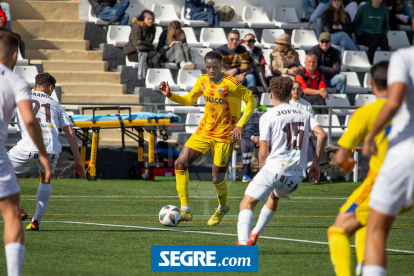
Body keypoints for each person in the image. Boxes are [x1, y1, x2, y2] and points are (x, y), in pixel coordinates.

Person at [158, 51, 257, 226]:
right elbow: (190, 100)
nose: (211, 70)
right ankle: (185, 210)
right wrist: (170, 95)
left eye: (215, 67)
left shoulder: (230, 84)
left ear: (221, 66)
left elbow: (252, 101)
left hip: (224, 136)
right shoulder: (202, 80)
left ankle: (222, 207)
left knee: (216, 178)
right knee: (179, 164)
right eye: (208, 67)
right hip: (204, 131)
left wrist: (240, 125)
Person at [236, 77, 327, 245]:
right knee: (274, 196)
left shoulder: (268, 115)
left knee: (246, 203)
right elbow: (322, 134)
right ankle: (254, 234)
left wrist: (262, 173)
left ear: (271, 95)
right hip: (297, 176)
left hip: (274, 169)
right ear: (289, 94)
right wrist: (315, 163)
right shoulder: (305, 113)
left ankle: (242, 244)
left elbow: (263, 153)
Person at [328, 61, 389, 276]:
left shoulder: (366, 113)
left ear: (371, 84)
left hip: (386, 183)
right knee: (370, 225)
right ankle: (365, 263)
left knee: (338, 230)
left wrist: (346, 165)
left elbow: (341, 156)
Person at [0, 31, 51, 276]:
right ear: (14, 55)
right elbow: (30, 121)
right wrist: (42, 153)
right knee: (11, 215)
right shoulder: (15, 81)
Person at [8, 73, 86, 231]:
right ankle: (36, 220)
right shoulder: (56, 104)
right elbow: (70, 132)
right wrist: (78, 161)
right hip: (50, 148)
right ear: (50, 88)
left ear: (35, 84)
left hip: (28, 146)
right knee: (45, 179)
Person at [362, 48, 414, 276]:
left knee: (375, 231)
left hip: (406, 151)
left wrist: (371, 135)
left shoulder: (403, 57)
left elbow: (393, 103)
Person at [239, 87, 267, 183]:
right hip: (244, 136)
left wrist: (262, 138)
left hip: (261, 137)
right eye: (251, 97)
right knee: (248, 145)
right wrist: (252, 137)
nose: (253, 99)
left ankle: (265, 174)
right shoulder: (241, 109)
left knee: (268, 145)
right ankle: (246, 174)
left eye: (255, 97)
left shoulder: (264, 109)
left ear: (258, 98)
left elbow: (267, 126)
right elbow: (239, 129)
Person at [123, 10, 156, 79]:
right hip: (134, 52)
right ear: (143, 19)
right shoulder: (137, 27)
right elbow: (138, 42)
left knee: (153, 59)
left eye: (152, 19)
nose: (151, 21)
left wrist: (150, 46)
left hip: (146, 50)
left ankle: (150, 78)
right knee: (155, 54)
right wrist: (151, 46)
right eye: (148, 19)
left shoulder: (152, 29)